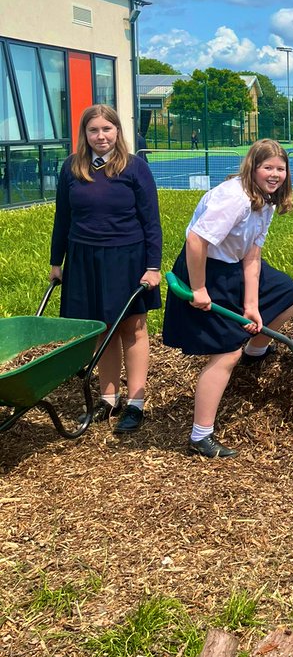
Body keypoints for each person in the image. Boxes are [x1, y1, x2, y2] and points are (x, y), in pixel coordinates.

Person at [162, 139, 293, 457]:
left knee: (289, 293)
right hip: (204, 269)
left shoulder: (264, 201)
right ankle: (201, 436)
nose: (275, 174)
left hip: (235, 267)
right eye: (268, 167)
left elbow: (253, 256)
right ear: (253, 168)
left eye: (280, 168)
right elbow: (195, 240)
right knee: (226, 354)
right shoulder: (235, 198)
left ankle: (255, 352)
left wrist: (252, 306)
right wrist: (199, 288)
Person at [49, 104, 162, 432]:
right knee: (102, 331)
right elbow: (63, 219)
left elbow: (151, 222)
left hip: (126, 258)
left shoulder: (135, 168)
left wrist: (152, 266)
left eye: (106, 129)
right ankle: (108, 398)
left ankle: (136, 403)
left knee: (131, 328)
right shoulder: (72, 168)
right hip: (84, 259)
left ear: (117, 131)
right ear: (84, 134)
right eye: (93, 130)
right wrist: (57, 262)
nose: (101, 136)